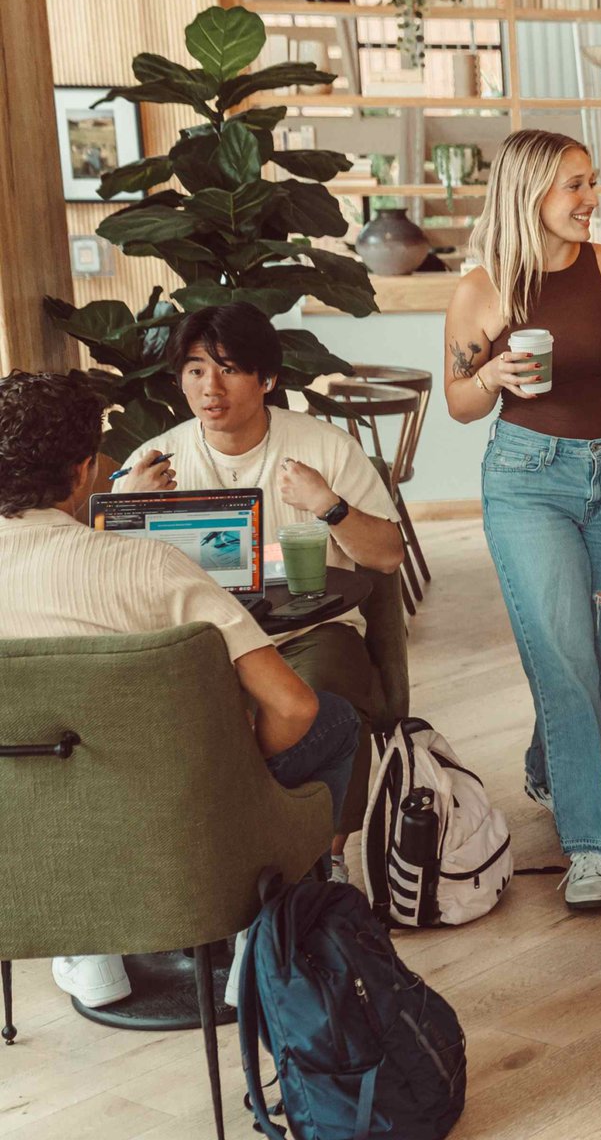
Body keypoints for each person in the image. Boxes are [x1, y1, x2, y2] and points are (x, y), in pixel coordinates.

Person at [0, 371, 358, 1010]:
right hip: (171, 819)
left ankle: (89, 949)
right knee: (334, 719)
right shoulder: (149, 566)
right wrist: (243, 770)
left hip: (23, 824)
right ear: (83, 471)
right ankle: (259, 929)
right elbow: (292, 705)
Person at [443, 128, 601, 911]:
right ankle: (589, 847)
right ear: (529, 191)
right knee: (565, 663)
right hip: (528, 482)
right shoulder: (483, 289)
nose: (590, 198)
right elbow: (459, 403)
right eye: (574, 184)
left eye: (591, 182)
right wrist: (491, 375)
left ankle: (548, 763)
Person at [117, 304, 404, 880]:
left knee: (330, 686)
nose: (210, 387)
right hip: (200, 640)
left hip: (307, 630)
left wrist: (330, 506)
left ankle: (327, 856)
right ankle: (228, 853)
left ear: (267, 379)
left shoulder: (324, 448)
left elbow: (387, 555)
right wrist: (131, 506)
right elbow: (112, 580)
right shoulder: (154, 461)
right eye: (196, 370)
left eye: (228, 369)